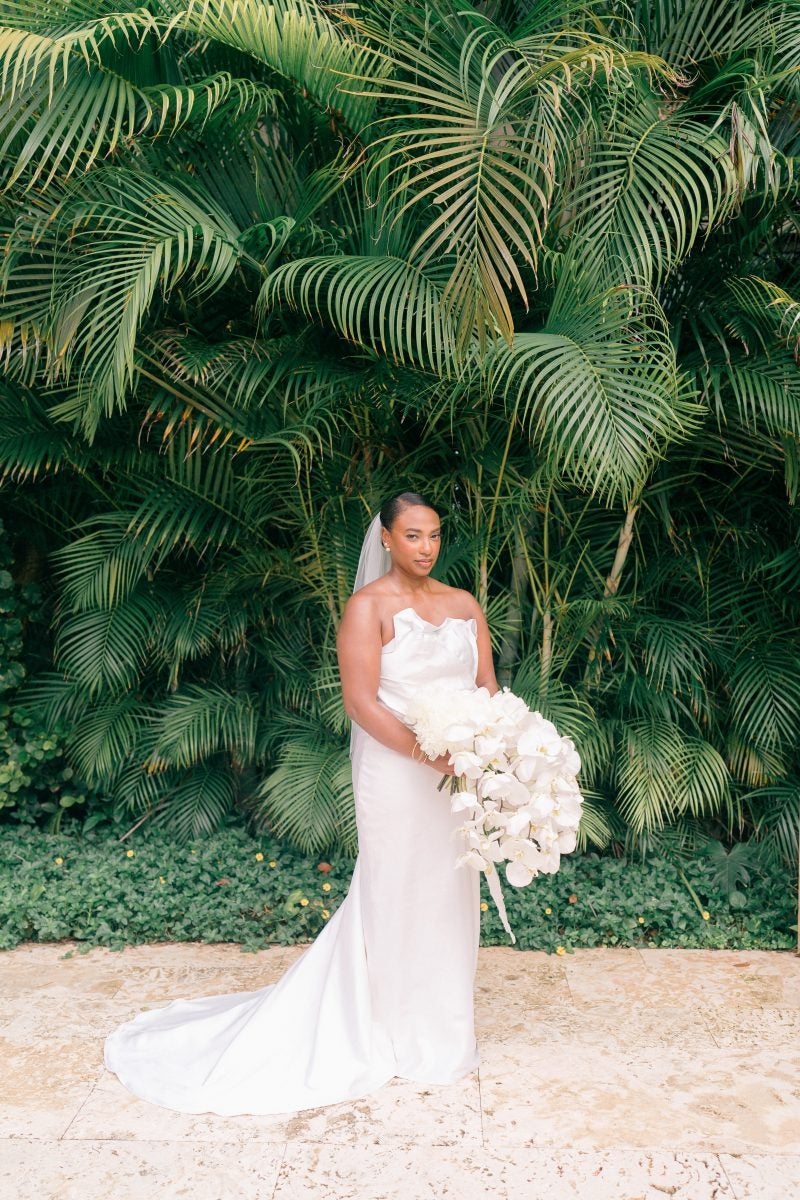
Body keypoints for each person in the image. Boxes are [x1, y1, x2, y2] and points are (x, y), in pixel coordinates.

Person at [103, 491, 499, 1115]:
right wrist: (434, 756)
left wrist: (492, 750)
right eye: (414, 536)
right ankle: (386, 1027)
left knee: (450, 891)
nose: (427, 548)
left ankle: (440, 1031)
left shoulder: (464, 604)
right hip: (398, 772)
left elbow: (487, 689)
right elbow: (362, 705)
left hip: (458, 775)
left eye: (435, 535)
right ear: (388, 540)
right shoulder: (367, 608)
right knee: (395, 888)